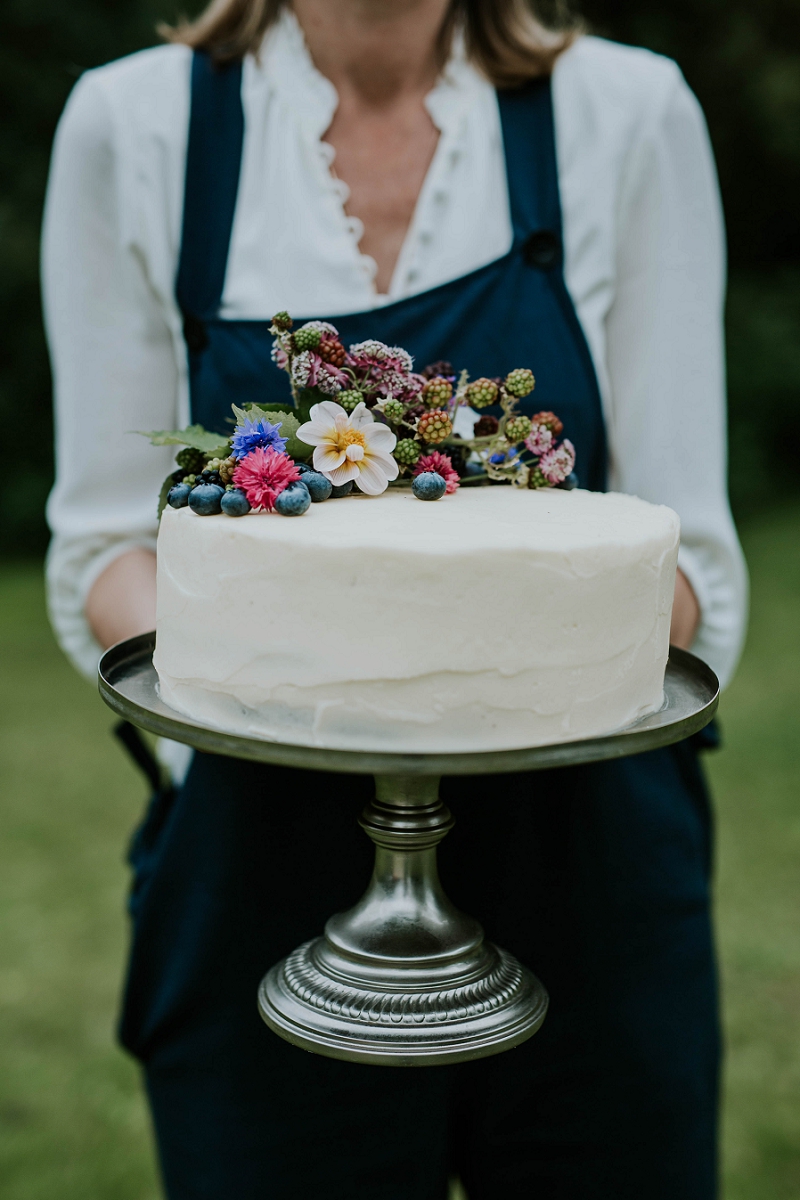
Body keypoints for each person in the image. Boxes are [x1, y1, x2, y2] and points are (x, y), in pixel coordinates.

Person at [42, 0, 748, 1196]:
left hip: (592, 863)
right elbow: (106, 548)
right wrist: (300, 689)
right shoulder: (138, 125)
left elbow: (686, 569)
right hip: (253, 859)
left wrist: (472, 682)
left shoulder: (626, 114)